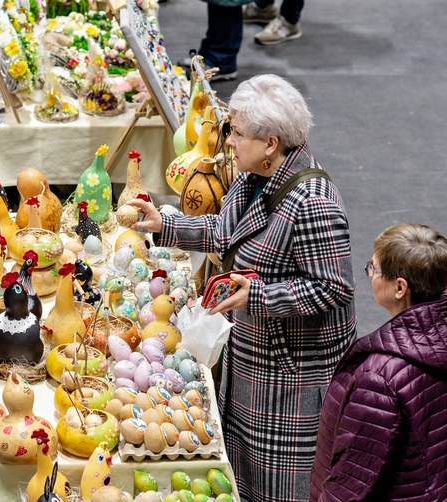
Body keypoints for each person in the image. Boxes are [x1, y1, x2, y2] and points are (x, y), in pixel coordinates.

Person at [128, 74, 355, 501]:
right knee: (246, 477)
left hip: (290, 377)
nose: (228, 140)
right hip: (256, 359)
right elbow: (224, 233)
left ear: (271, 142)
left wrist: (260, 296)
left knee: (282, 488)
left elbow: (334, 288)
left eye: (236, 132)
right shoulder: (254, 176)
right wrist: (166, 223)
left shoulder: (314, 202)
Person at [310, 224, 447, 501]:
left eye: (373, 269)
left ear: (400, 287)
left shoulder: (378, 378)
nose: (369, 275)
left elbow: (351, 484)